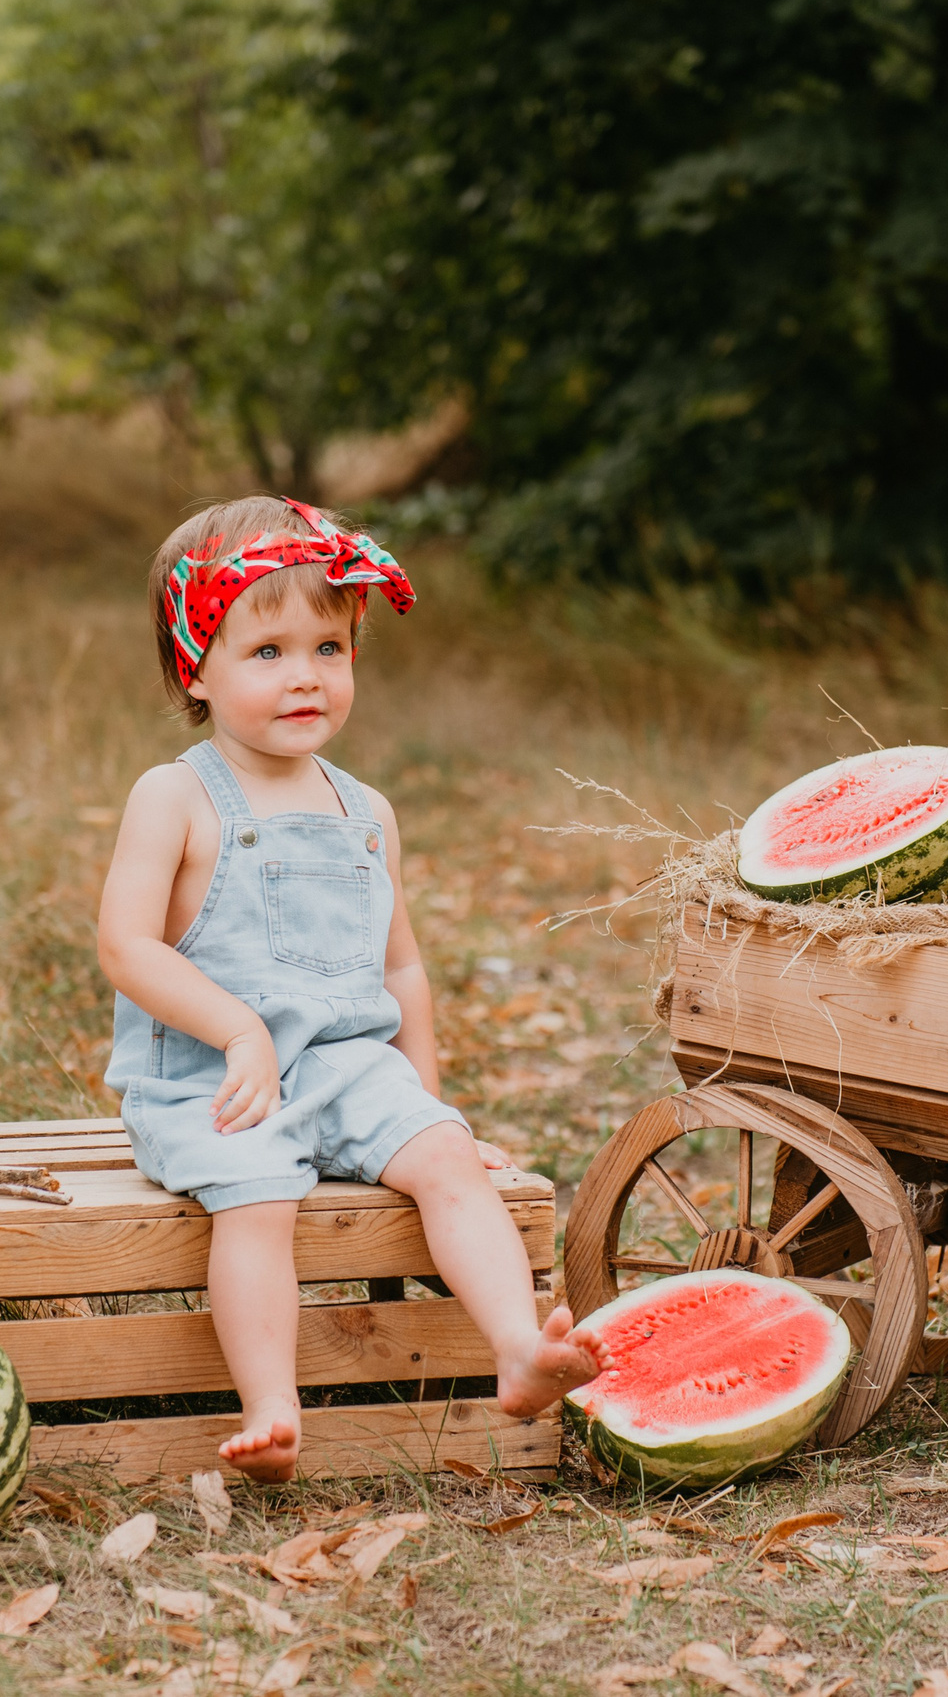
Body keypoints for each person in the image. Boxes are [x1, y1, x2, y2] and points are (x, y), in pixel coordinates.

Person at [96, 494, 607, 1482]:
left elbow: (400, 965)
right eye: (268, 652)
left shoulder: (364, 808)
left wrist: (426, 1096)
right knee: (256, 1203)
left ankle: (515, 1347)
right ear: (194, 668)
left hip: (346, 1068)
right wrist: (240, 1031)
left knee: (451, 1165)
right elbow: (126, 948)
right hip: (215, 1074)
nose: (307, 678)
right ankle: (272, 1408)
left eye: (329, 649)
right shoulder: (177, 796)